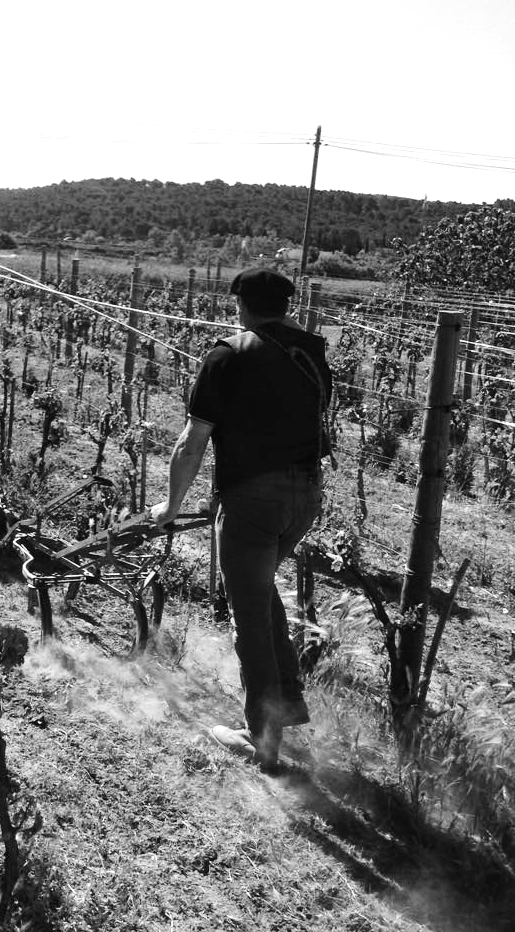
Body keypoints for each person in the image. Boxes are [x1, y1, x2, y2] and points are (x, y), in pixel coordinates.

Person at [150, 267, 333, 772]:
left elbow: (192, 442)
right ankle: (287, 702)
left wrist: (169, 504)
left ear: (241, 305)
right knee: (260, 589)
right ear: (286, 306)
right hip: (305, 496)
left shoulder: (228, 354)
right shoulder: (312, 353)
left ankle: (264, 742)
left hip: (254, 500)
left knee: (248, 616)